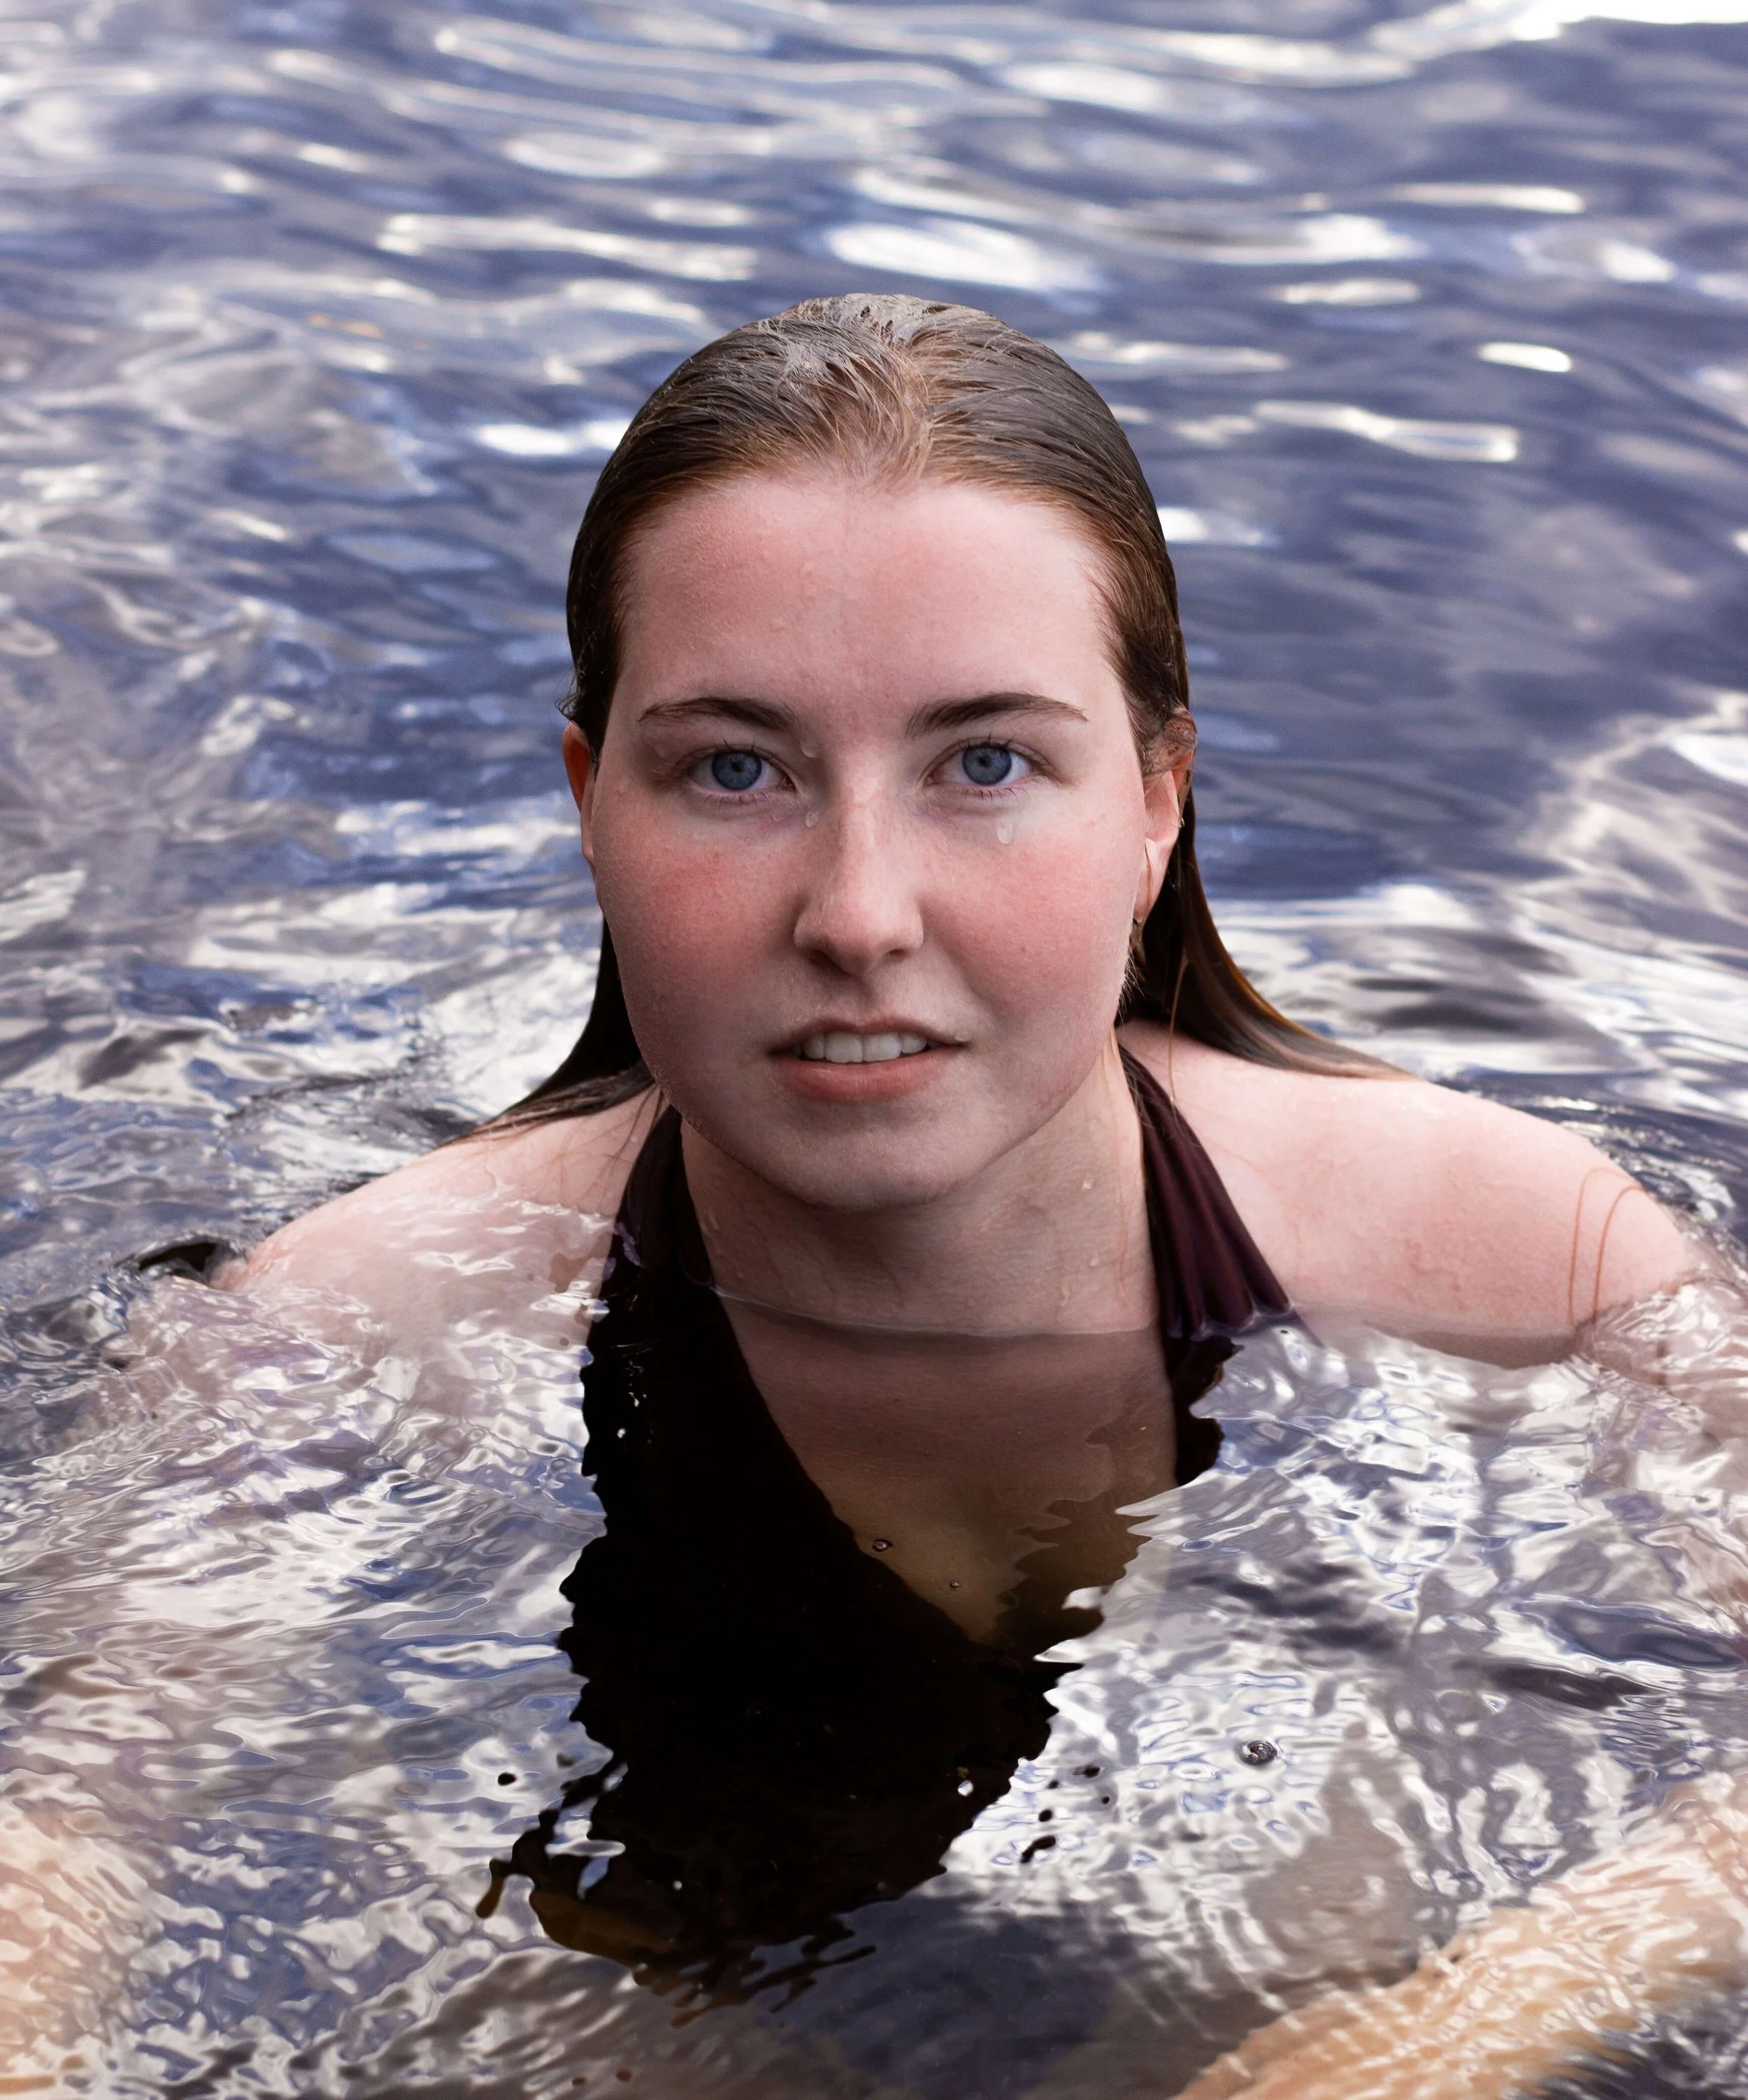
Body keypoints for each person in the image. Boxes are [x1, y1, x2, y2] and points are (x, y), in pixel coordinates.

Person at [7, 294, 1740, 2092]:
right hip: (693, 1961)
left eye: (984, 763)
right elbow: (70, 1843)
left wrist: (1465, 2023)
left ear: (1153, 802)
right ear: (591, 804)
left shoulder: (1521, 1257)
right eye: (733, 770)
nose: (856, 913)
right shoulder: (351, 1325)